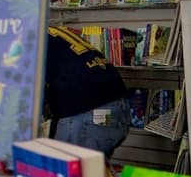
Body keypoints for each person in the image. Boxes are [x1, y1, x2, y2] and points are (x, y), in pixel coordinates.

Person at [45, 26, 129, 159]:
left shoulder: (24, 40)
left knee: (68, 169)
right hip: (118, 110)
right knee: (90, 169)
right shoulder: (51, 31)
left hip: (89, 116)